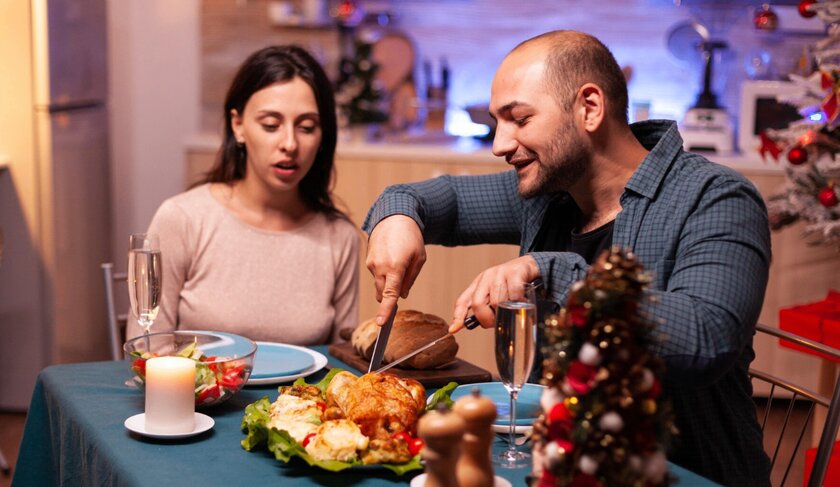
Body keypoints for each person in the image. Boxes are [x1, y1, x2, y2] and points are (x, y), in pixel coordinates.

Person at [363, 31, 771, 485]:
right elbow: (430, 199)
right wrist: (396, 217)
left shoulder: (717, 199)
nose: (500, 144)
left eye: (519, 119)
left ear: (590, 108)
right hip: (558, 467)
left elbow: (706, 338)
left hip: (685, 473)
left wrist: (547, 272)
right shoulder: (552, 190)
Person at [127, 45, 359, 345]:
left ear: (323, 135)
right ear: (238, 126)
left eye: (306, 127)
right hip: (194, 393)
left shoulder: (339, 236)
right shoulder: (182, 219)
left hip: (302, 394)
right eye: (271, 125)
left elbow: (343, 365)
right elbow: (148, 350)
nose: (289, 143)